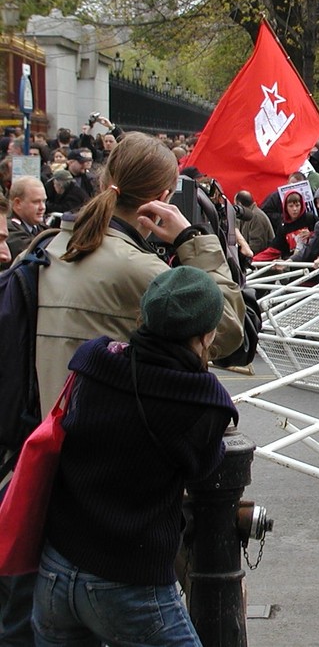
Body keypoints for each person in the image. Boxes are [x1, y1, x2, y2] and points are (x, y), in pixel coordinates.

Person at [0, 133, 245, 647]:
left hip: (41, 472)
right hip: (119, 505)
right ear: (165, 192)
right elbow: (224, 330)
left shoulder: (50, 245)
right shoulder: (138, 268)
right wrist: (191, 242)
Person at [30, 266, 239, 647]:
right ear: (207, 334)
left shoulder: (93, 360)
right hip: (128, 582)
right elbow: (205, 469)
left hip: (56, 569)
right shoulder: (202, 401)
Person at [251, 190, 317, 262]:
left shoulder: (310, 218)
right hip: (292, 263)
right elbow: (275, 249)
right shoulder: (283, 226)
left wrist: (311, 234)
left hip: (312, 261)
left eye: (297, 205)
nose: (294, 209)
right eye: (291, 206)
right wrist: (254, 259)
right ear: (285, 207)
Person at [3, 177, 46, 267]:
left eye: (44, 201)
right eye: (36, 202)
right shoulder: (7, 228)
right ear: (18, 203)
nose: (42, 207)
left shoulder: (39, 226)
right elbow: (34, 252)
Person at [234, 190, 275, 257]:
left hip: (262, 261)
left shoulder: (257, 218)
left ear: (239, 204)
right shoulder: (246, 216)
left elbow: (256, 246)